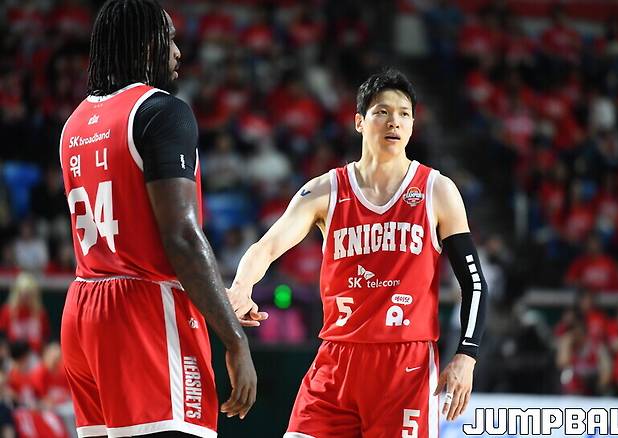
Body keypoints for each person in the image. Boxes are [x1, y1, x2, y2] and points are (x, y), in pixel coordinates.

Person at [229, 69, 487, 437]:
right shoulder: (325, 190)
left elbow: (474, 283)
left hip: (405, 364)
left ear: (412, 125)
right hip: (336, 359)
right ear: (359, 122)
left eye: (404, 114)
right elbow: (267, 247)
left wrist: (467, 355)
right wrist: (241, 287)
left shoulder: (437, 190)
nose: (394, 121)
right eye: (382, 112)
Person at [59, 1, 262, 437]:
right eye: (169, 39)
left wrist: (218, 300)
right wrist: (234, 339)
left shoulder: (74, 123)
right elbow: (182, 237)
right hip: (145, 309)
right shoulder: (162, 111)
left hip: (83, 309)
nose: (177, 51)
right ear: (148, 43)